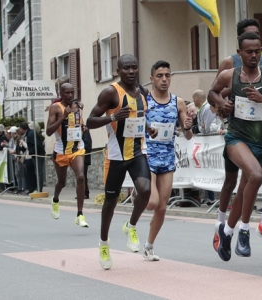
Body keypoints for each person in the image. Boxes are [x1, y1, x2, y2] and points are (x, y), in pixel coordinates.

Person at [210, 31, 262, 261]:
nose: (254, 55)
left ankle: (226, 232)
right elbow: (212, 93)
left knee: (244, 190)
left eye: (258, 51)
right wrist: (222, 104)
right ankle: (244, 231)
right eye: (249, 52)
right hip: (237, 137)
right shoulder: (230, 75)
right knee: (255, 175)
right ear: (240, 53)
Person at [86, 54, 157, 270]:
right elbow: (89, 121)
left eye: (134, 67)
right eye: (126, 68)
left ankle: (131, 226)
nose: (131, 71)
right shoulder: (110, 92)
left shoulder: (143, 92)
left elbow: (139, 118)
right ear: (118, 71)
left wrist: (149, 128)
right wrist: (114, 117)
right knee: (110, 202)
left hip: (137, 152)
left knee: (145, 191)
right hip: (116, 156)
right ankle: (104, 243)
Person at [142, 60, 193, 261]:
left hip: (167, 157)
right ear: (151, 79)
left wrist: (188, 126)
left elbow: (188, 135)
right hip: (147, 155)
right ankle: (132, 222)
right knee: (152, 203)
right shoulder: (145, 100)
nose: (164, 79)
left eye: (167, 75)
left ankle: (149, 246)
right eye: (160, 76)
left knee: (162, 208)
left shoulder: (177, 102)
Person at [45, 83, 88, 227]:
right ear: (61, 94)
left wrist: (83, 128)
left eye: (72, 92)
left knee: (81, 177)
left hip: (77, 149)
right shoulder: (55, 108)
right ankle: (56, 199)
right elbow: (49, 131)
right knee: (61, 182)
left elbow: (78, 124)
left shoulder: (79, 106)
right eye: (67, 93)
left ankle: (80, 214)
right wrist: (62, 117)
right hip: (61, 150)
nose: (70, 95)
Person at [18, 122, 45, 193]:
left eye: (20, 128)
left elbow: (37, 145)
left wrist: (31, 151)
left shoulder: (30, 134)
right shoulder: (29, 134)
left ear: (22, 128)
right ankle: (37, 188)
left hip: (38, 155)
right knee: (36, 172)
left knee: (38, 172)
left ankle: (39, 189)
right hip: (34, 155)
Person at [82, 125, 92, 199]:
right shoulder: (84, 134)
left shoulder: (86, 134)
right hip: (83, 158)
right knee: (83, 176)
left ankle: (86, 192)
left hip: (84, 158)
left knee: (83, 176)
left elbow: (88, 147)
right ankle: (83, 192)